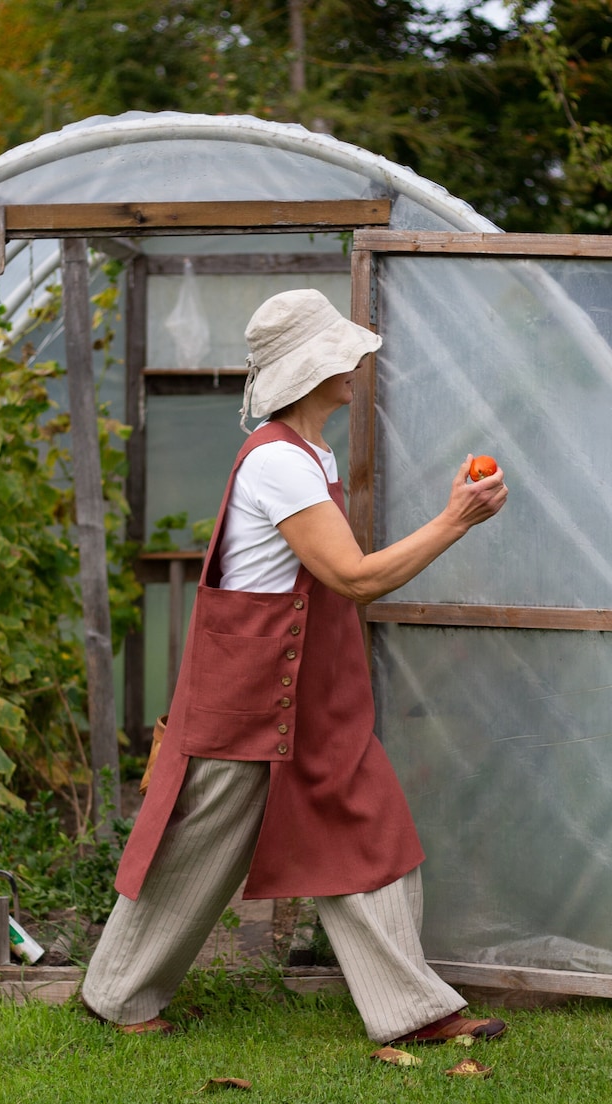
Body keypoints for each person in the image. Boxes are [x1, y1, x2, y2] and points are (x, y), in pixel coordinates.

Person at [81, 288, 509, 1043]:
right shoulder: (278, 462)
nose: (355, 365)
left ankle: (413, 1011)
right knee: (196, 842)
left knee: (367, 828)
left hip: (307, 693)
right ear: (311, 373)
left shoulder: (313, 454)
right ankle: (119, 996)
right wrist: (455, 520)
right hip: (249, 688)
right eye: (342, 355)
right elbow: (353, 577)